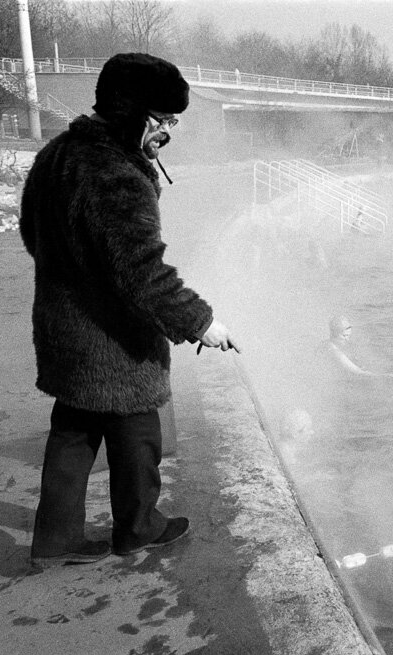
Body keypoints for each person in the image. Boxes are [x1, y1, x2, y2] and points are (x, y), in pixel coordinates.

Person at [20, 53, 239, 568]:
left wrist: (73, 276)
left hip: (62, 329)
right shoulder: (116, 174)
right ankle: (139, 528)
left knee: (73, 432)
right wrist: (201, 323)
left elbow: (33, 233)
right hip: (113, 341)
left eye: (173, 122)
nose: (168, 133)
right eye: (163, 121)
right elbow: (143, 272)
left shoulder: (58, 154)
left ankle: (55, 541)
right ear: (132, 113)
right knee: (138, 430)